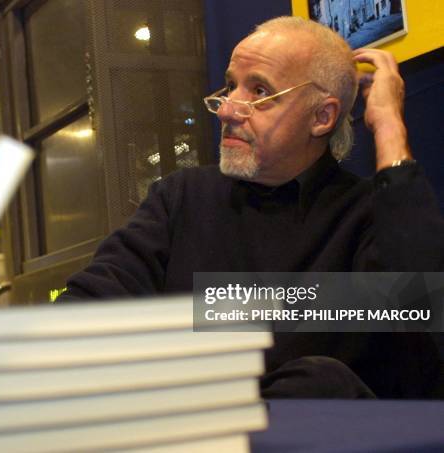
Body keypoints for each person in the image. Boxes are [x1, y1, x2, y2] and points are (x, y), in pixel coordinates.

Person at [59, 17, 443, 398]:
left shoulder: (370, 215)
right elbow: (89, 309)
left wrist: (389, 127)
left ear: (322, 117)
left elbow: (426, 324)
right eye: (230, 86)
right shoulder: (182, 197)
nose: (227, 110)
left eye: (259, 91)